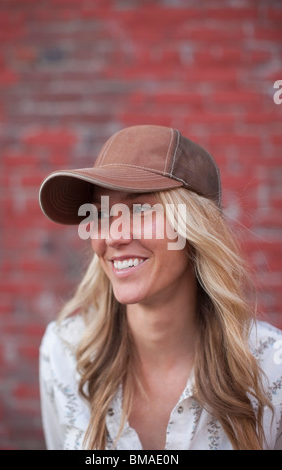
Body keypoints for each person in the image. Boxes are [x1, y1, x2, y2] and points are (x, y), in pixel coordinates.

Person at [38, 125, 282, 450]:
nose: (112, 237)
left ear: (195, 228)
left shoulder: (270, 368)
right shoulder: (65, 354)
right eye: (100, 214)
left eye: (139, 210)